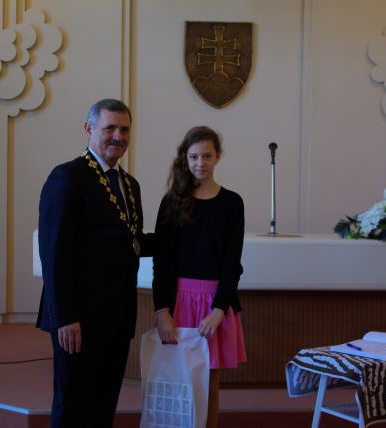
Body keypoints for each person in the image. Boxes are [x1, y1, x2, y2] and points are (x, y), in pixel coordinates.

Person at [37, 98, 153, 428]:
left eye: (124, 130)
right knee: (72, 405)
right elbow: (54, 253)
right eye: (109, 128)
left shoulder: (130, 185)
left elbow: (131, 242)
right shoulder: (67, 177)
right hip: (78, 319)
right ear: (89, 129)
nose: (118, 136)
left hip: (116, 317)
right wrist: (65, 316)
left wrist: (180, 236)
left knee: (104, 405)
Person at [152, 126, 247, 428]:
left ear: (217, 157)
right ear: (185, 158)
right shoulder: (172, 202)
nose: (200, 163)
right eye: (194, 156)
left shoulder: (232, 203)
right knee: (180, 383)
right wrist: (162, 310)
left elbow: (232, 262)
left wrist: (220, 309)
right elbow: (162, 262)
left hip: (214, 304)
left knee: (209, 385)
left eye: (207, 156)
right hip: (180, 301)